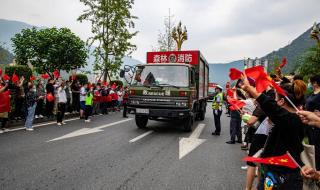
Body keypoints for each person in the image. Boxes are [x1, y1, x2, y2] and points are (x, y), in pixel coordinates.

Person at [241, 75, 307, 189]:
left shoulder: (290, 119)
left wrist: (250, 88)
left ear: (281, 101)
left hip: (281, 176)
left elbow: (269, 105)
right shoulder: (296, 118)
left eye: (276, 98)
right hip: (281, 173)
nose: (274, 101)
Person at [305, 75, 320, 171]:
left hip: (317, 126)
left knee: (318, 150)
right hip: (309, 126)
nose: (308, 84)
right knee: (312, 149)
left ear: (315, 83)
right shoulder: (310, 94)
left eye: (309, 82)